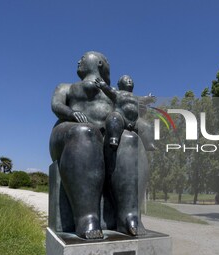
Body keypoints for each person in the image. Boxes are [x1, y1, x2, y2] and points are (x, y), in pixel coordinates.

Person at [49, 52, 148, 239]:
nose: (78, 61)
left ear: (100, 63)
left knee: (129, 139)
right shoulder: (65, 87)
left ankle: (128, 217)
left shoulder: (111, 93)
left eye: (83, 58)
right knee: (85, 132)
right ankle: (87, 217)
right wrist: (70, 113)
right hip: (69, 134)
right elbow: (56, 105)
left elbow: (127, 112)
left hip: (104, 137)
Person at [94, 75, 156, 151]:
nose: (129, 80)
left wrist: (149, 98)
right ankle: (114, 138)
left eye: (131, 79)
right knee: (114, 119)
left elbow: (144, 99)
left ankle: (149, 143)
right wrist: (103, 85)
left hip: (135, 120)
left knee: (147, 125)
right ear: (119, 84)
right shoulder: (117, 93)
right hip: (121, 117)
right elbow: (109, 90)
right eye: (126, 79)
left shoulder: (137, 97)